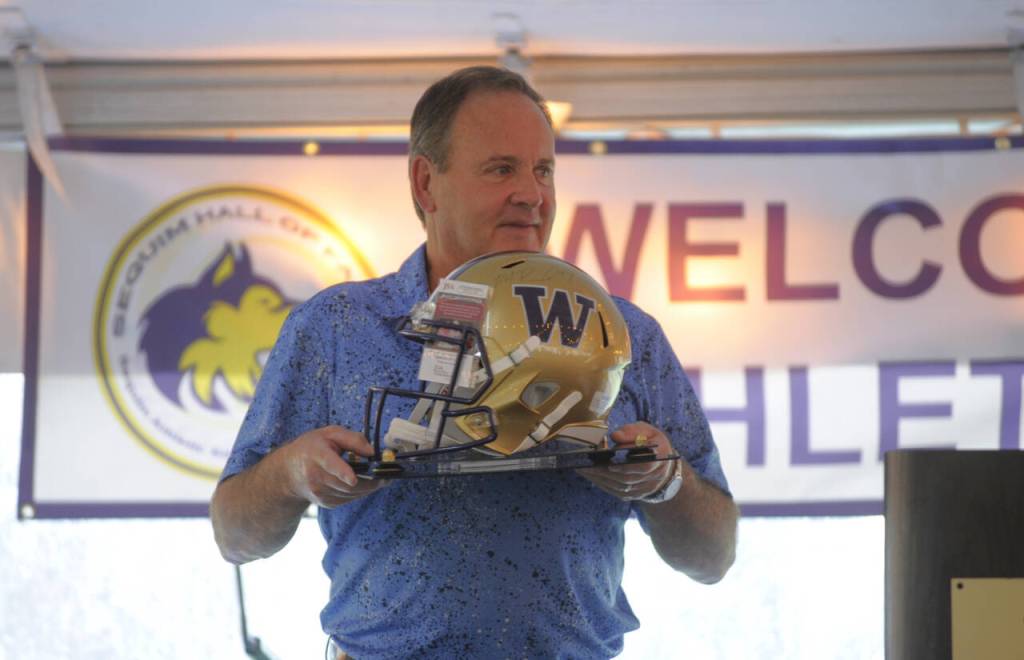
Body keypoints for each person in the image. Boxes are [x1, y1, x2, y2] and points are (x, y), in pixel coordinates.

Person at [210, 65, 738, 659]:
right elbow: (235, 536)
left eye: (543, 170)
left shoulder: (624, 333)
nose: (532, 194)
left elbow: (713, 557)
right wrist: (289, 473)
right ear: (424, 184)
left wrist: (666, 482)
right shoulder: (334, 328)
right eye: (501, 169)